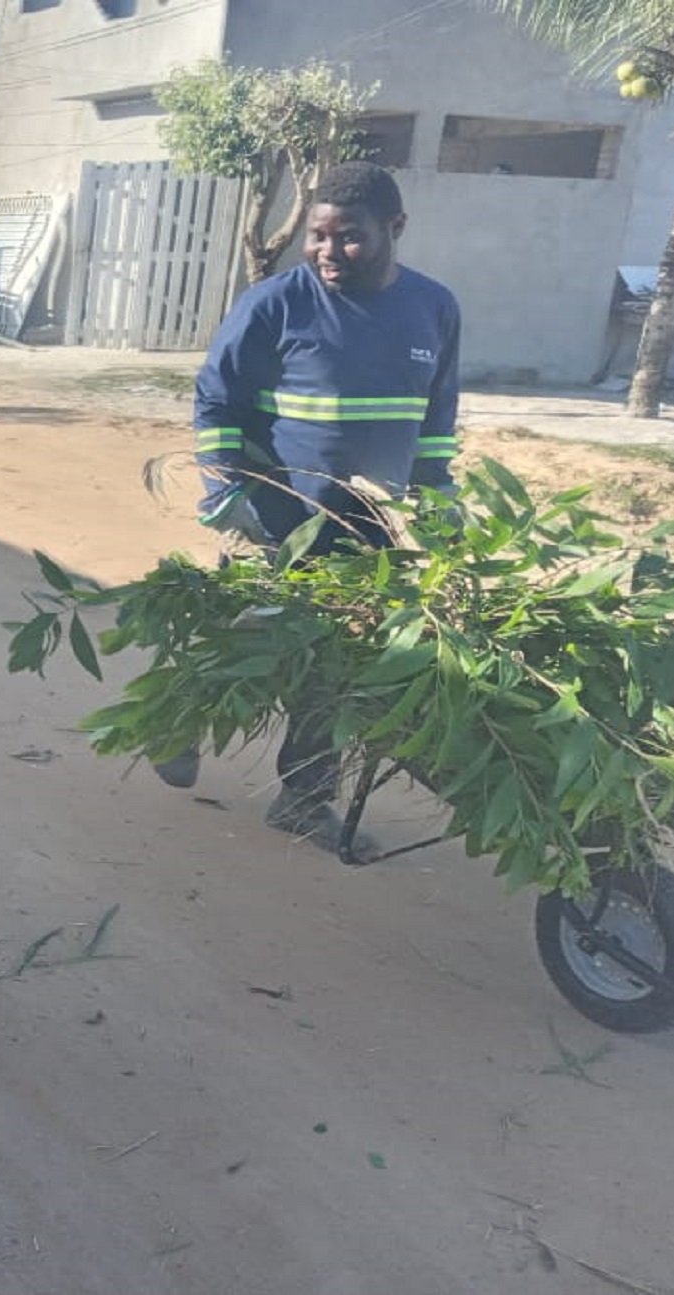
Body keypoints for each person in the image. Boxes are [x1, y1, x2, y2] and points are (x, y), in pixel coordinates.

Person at [166, 160, 462, 860]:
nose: (328, 252)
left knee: (334, 666)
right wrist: (224, 492)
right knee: (238, 639)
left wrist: (437, 497)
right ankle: (173, 719)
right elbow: (217, 400)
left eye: (348, 237)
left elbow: (437, 417)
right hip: (276, 520)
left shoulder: (434, 308)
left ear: (396, 228)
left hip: (373, 533)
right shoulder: (274, 304)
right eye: (317, 236)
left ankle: (303, 796)